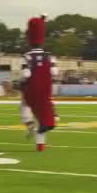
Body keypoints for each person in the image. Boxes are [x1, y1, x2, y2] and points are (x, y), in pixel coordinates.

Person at [21, 13, 58, 151]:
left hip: (31, 89)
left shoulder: (27, 56)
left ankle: (29, 124)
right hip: (46, 89)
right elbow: (55, 72)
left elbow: (26, 74)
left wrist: (21, 82)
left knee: (24, 106)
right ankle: (41, 145)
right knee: (44, 114)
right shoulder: (49, 56)